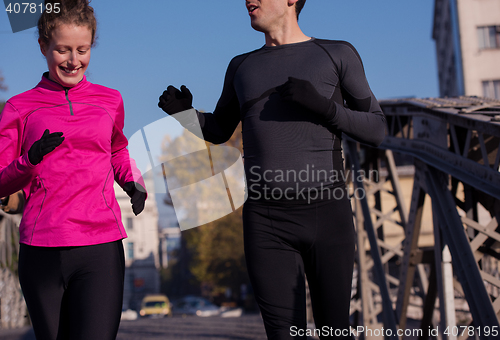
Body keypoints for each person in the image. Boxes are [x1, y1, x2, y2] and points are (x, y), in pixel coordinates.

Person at [159, 0, 386, 339]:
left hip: (328, 214)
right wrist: (185, 114)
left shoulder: (336, 54)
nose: (249, 0)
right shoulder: (242, 66)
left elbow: (378, 129)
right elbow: (220, 130)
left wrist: (324, 107)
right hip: (267, 221)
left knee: (335, 332)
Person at [0, 1, 147, 339]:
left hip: (101, 246)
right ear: (43, 47)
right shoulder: (19, 108)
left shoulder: (110, 101)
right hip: (42, 249)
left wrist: (132, 182)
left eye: (82, 50)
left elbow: (117, 150)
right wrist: (30, 159)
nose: (73, 60)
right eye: (63, 50)